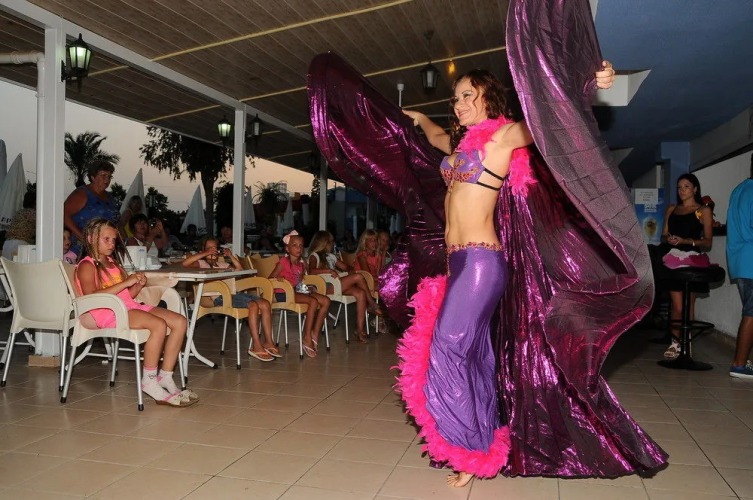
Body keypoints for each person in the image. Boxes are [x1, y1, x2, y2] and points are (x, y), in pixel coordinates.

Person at [310, 6, 667, 484]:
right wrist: (416, 119)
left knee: (448, 349)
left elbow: (549, 118)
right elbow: (437, 136)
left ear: (487, 98)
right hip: (458, 264)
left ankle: (464, 452)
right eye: (455, 97)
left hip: (481, 263)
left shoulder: (499, 140)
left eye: (466, 96)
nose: (458, 104)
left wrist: (589, 82)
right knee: (474, 356)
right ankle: (482, 448)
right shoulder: (460, 149)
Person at [74, 218, 197, 407]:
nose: (111, 244)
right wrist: (126, 282)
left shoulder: (112, 263)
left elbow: (125, 296)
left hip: (126, 306)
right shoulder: (86, 265)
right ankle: (149, 380)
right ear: (90, 238)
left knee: (180, 321)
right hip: (104, 311)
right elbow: (91, 296)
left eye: (113, 240)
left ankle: (165, 376)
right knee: (158, 324)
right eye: (106, 239)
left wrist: (137, 286)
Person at [182, 237, 279, 361]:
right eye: (208, 249)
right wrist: (205, 254)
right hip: (218, 297)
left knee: (265, 304)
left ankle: (268, 342)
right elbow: (185, 264)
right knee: (253, 305)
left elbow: (240, 269)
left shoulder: (222, 265)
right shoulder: (201, 264)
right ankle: (256, 345)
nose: (212, 251)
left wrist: (230, 256)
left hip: (232, 294)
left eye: (214, 248)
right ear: (203, 250)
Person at [660, 173, 713, 359]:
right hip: (673, 258)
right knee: (677, 305)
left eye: (686, 186)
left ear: (695, 189)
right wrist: (670, 239)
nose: (682, 190)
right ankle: (675, 342)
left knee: (689, 302)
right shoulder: (672, 209)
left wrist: (686, 241)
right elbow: (664, 235)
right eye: (679, 187)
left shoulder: (703, 211)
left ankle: (686, 341)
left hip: (692, 259)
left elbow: (707, 241)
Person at [308, 230, 384, 343]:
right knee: (358, 277)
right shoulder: (314, 256)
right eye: (331, 242)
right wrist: (328, 271)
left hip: (336, 285)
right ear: (324, 243)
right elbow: (311, 271)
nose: (333, 244)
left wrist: (350, 270)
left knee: (360, 293)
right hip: (325, 287)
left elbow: (346, 267)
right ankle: (372, 303)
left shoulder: (331, 256)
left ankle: (359, 330)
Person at [268, 231, 330, 357]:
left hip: (295, 291)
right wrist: (277, 279)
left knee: (325, 300)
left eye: (301, 245)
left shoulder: (302, 264)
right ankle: (306, 337)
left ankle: (314, 333)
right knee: (313, 301)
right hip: (283, 293)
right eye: (295, 245)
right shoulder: (283, 262)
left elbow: (299, 282)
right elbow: (269, 279)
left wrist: (308, 288)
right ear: (287, 249)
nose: (299, 248)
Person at [726, 157, 753, 378]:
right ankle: (739, 364)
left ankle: (743, 362)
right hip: (751, 259)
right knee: (751, 313)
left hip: (741, 261)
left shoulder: (740, 189)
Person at [64, 160, 120, 256]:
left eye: (109, 176)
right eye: (103, 175)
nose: (107, 179)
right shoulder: (82, 194)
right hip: (80, 250)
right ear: (92, 177)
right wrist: (84, 238)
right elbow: (64, 215)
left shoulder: (110, 197)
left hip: (103, 250)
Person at [1, 191, 35, 260]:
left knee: (8, 266)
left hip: (7, 243)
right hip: (20, 244)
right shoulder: (33, 213)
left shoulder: (19, 212)